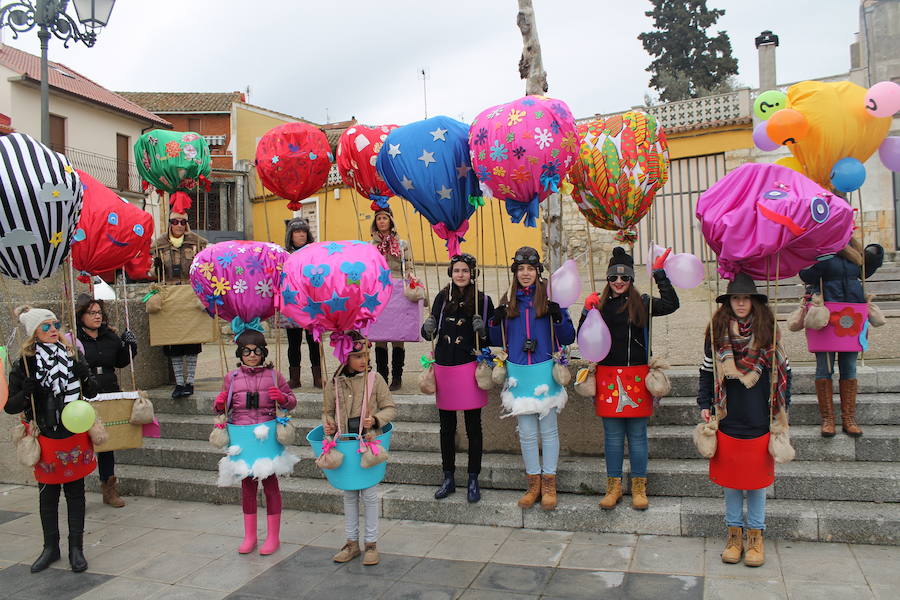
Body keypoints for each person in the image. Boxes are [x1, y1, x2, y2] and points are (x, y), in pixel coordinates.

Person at [697, 273, 792, 568]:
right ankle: (734, 535)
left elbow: (785, 371)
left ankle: (756, 537)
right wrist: (704, 403)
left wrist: (781, 409)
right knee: (732, 482)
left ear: (753, 301)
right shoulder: (716, 333)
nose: (740, 303)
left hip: (759, 417)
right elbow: (706, 371)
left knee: (756, 483)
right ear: (728, 302)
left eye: (745, 298)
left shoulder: (768, 331)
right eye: (735, 298)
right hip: (728, 416)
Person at [580, 247, 680, 511]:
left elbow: (672, 304)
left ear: (632, 279)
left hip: (637, 378)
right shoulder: (600, 307)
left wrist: (660, 274)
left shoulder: (644, 304)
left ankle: (639, 487)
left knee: (637, 437)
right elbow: (585, 339)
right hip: (608, 378)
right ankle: (613, 487)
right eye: (614, 277)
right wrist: (584, 312)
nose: (619, 282)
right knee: (612, 438)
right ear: (608, 280)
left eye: (624, 277)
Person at [5, 306, 98, 573]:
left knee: (76, 493)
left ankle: (76, 548)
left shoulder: (72, 354)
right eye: (46, 326)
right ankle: (50, 548)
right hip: (45, 435)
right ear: (34, 332)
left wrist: (83, 373)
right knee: (48, 496)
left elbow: (91, 392)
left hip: (73, 433)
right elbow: (10, 406)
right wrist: (25, 392)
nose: (54, 329)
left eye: (55, 324)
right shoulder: (25, 361)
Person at [488, 247, 575, 511]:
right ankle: (533, 483)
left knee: (548, 431)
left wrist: (558, 316)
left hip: (543, 371)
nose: (526, 274)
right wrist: (494, 321)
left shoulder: (550, 299)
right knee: (526, 433)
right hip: (519, 374)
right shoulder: (508, 300)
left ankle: (549, 482)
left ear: (538, 271)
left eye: (531, 269)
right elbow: (494, 340)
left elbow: (569, 336)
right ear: (515, 272)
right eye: (521, 269)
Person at [214, 329, 298, 555]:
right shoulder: (231, 378)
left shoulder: (274, 376)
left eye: (257, 351)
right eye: (247, 351)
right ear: (240, 353)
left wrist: (282, 398)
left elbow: (291, 402)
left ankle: (273, 537)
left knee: (271, 486)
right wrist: (220, 401)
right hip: (242, 437)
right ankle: (249, 536)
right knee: (247, 486)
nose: (252, 355)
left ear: (264, 352)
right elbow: (221, 407)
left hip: (267, 437)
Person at [422, 254, 495, 503]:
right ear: (450, 273)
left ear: (472, 273)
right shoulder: (442, 299)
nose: (460, 275)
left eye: (465, 270)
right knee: (447, 427)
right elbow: (429, 332)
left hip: (469, 367)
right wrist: (427, 327)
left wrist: (483, 331)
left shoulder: (483, 301)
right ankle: (448, 476)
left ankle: (473, 477)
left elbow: (492, 339)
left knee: (474, 426)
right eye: (456, 271)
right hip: (445, 366)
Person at [799, 234, 883, 437]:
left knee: (849, 367)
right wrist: (820, 258)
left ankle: (848, 419)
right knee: (824, 367)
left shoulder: (854, 248)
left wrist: (875, 253)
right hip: (825, 313)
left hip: (851, 314)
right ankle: (828, 419)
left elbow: (866, 272)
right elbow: (805, 274)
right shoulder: (819, 247)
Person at [323, 332, 396, 566]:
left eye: (365, 355)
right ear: (345, 358)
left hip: (368, 443)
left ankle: (372, 543)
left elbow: (390, 408)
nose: (363, 360)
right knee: (349, 493)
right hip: (344, 442)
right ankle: (351, 543)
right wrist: (329, 423)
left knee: (370, 494)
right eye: (357, 356)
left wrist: (375, 419)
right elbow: (327, 410)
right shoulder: (334, 382)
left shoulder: (375, 379)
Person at [75, 294, 138, 508]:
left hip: (108, 391)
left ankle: (109, 488)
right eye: (91, 313)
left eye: (99, 313)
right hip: (84, 394)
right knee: (81, 442)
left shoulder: (110, 337)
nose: (97, 317)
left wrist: (130, 346)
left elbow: (121, 361)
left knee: (106, 443)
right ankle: (76, 491)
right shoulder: (73, 339)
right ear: (81, 315)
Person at [150, 195, 208, 399]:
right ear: (169, 224)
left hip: (190, 294)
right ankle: (179, 382)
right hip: (170, 296)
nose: (179, 225)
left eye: (183, 222)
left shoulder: (197, 243)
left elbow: (206, 268)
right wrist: (153, 267)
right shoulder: (159, 245)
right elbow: (150, 274)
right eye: (175, 222)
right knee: (173, 341)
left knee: (191, 341)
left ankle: (190, 382)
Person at [367, 204, 417, 390]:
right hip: (379, 291)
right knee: (379, 335)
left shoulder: (402, 244)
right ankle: (381, 376)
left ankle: (397, 377)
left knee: (398, 335)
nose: (381, 221)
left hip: (398, 290)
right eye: (378, 218)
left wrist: (411, 279)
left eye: (385, 218)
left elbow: (409, 266)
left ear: (391, 220)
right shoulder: (371, 246)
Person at [282, 217, 322, 388]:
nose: (301, 235)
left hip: (311, 302)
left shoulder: (315, 252)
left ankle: (318, 376)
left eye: (304, 231)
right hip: (292, 302)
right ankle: (295, 377)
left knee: (314, 341)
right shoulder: (284, 255)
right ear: (291, 235)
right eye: (297, 232)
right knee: (293, 341)